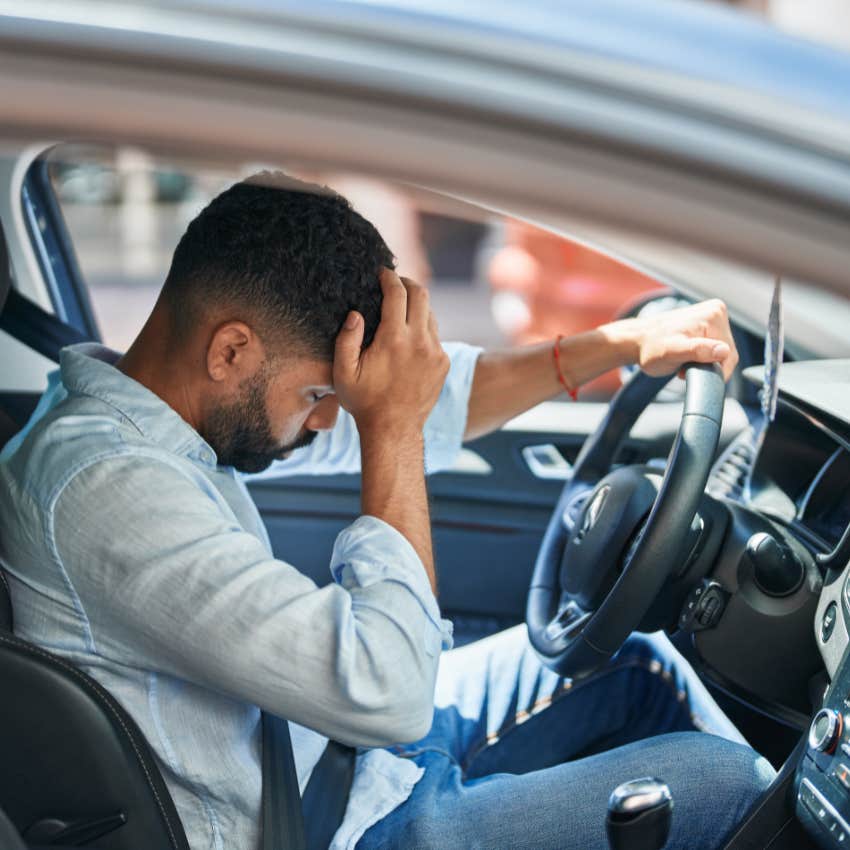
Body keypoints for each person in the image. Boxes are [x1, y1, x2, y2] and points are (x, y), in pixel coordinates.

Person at [0, 173, 773, 850]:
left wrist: (624, 342)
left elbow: (440, 403)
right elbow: (389, 694)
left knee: (638, 663)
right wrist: (388, 426)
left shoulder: (167, 419)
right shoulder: (106, 488)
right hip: (334, 825)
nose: (326, 421)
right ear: (231, 351)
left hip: (338, 750)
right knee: (732, 786)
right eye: (318, 394)